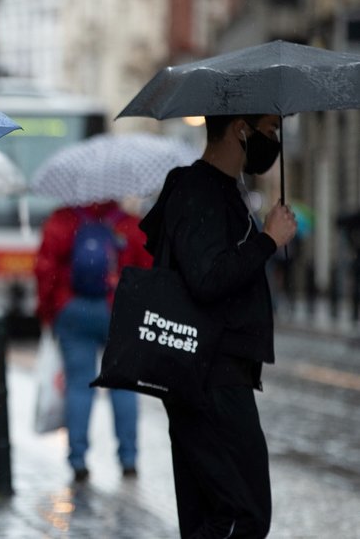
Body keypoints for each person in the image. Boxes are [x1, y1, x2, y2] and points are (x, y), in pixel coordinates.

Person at [140, 114, 296, 538]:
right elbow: (207, 278)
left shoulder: (222, 190)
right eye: (268, 129)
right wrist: (268, 240)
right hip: (209, 377)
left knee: (213, 513)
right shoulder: (198, 189)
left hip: (212, 374)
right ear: (239, 128)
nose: (274, 139)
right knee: (242, 513)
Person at [35, 198, 152, 482]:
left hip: (73, 308)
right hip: (118, 309)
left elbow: (44, 268)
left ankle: (78, 460)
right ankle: (128, 459)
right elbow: (147, 269)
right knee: (123, 386)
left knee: (79, 386)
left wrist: (50, 311)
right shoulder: (129, 224)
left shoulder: (62, 221)